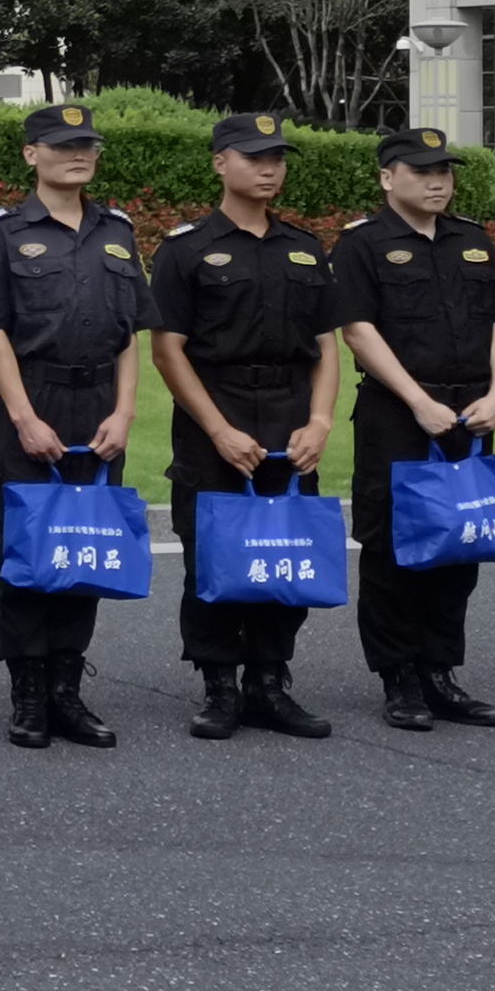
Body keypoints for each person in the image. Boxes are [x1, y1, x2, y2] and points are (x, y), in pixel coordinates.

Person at [149, 111, 344, 742]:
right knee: (213, 555)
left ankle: (268, 682)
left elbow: (327, 345)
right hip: (218, 413)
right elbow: (167, 350)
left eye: (277, 158)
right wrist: (217, 431)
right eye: (255, 157)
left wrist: (320, 421)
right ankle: (219, 686)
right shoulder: (185, 249)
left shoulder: (304, 248)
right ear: (220, 163)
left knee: (287, 552)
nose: (269, 169)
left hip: (290, 416)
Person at [0, 101, 145, 750]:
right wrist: (23, 417)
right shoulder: (3, 233)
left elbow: (131, 334)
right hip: (32, 400)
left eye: (87, 145)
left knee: (87, 544)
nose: (79, 155)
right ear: (31, 154)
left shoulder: (118, 231)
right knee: (27, 549)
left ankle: (67, 687)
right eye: (64, 145)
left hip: (98, 405)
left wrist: (124, 411)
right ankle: (29, 692)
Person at [328, 125, 495, 730]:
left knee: (459, 543)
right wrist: (417, 401)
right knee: (392, 548)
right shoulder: (362, 243)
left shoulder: (473, 240)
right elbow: (357, 330)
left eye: (445, 171)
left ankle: (440, 672)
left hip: (470, 414)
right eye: (422, 172)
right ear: (388, 178)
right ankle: (399, 677)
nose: (438, 182)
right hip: (398, 416)